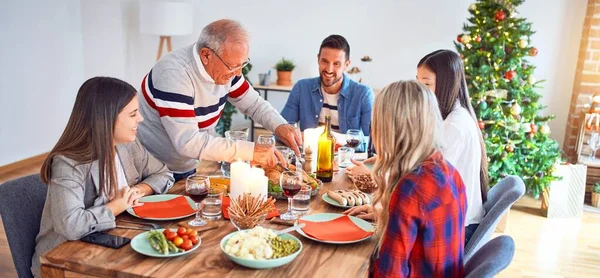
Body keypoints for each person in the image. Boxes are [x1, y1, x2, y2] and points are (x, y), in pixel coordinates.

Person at [31, 77, 174, 277]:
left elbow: (163, 173)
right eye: (133, 114)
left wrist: (141, 189)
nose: (140, 118)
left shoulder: (128, 145)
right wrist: (117, 205)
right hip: (65, 261)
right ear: (106, 119)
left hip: (112, 242)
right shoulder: (68, 163)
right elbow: (71, 227)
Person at [348, 50, 488, 245]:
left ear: (447, 84)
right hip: (447, 222)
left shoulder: (455, 126)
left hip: (456, 231)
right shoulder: (451, 116)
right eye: (418, 82)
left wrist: (373, 176)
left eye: (426, 84)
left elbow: (423, 185)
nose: (420, 91)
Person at [137, 19, 300, 181]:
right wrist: (251, 151)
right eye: (233, 66)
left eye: (242, 65)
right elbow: (188, 142)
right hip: (153, 172)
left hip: (188, 167)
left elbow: (253, 104)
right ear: (206, 55)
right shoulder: (174, 74)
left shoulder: (227, 70)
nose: (237, 74)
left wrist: (280, 125)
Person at [346, 80, 467, 277]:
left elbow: (388, 274)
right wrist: (386, 213)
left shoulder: (411, 189)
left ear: (391, 130)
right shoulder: (450, 172)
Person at [281, 34, 374, 135]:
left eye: (336, 64)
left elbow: (370, 141)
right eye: (325, 61)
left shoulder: (363, 94)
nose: (329, 69)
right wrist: (297, 136)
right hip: (308, 150)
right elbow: (282, 130)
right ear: (318, 59)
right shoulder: (301, 88)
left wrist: (337, 140)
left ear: (346, 65)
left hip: (345, 151)